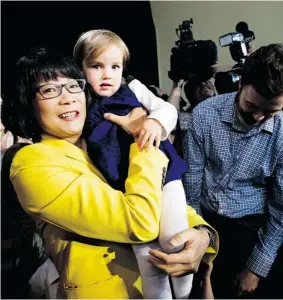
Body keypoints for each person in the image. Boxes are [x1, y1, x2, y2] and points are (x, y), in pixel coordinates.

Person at [1, 47, 218, 299]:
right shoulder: (32, 162)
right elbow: (141, 221)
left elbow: (167, 196)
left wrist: (204, 236)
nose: (68, 98)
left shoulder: (101, 138)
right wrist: (142, 137)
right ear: (27, 103)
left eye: (74, 86)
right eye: (49, 90)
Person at [72, 28, 207, 299]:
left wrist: (156, 121)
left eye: (114, 66)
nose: (107, 74)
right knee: (147, 256)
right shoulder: (81, 103)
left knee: (174, 240)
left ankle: (184, 293)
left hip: (163, 173)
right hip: (123, 188)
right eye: (96, 66)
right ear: (81, 69)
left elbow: (167, 108)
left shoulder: (132, 88)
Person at [184, 43, 283, 298]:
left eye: (271, 111)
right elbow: (191, 184)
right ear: (241, 85)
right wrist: (197, 236)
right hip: (206, 224)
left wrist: (256, 268)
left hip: (255, 233)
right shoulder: (204, 114)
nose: (259, 117)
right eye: (252, 106)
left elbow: (280, 209)